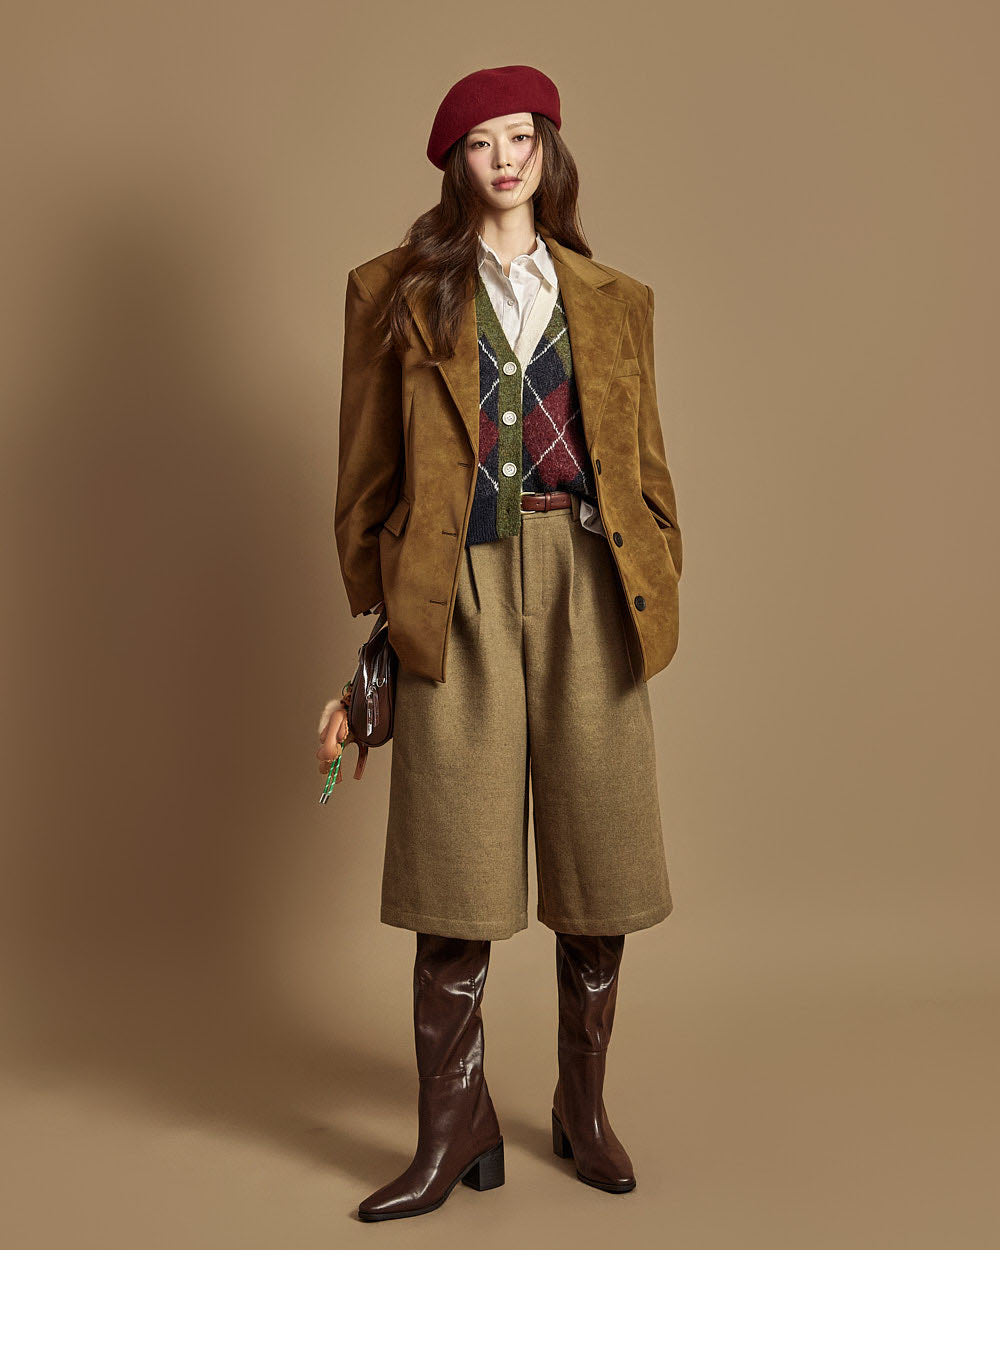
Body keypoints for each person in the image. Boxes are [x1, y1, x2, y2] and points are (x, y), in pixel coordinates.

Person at [317, 65, 683, 1222]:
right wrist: (383, 619)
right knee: (452, 872)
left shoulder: (616, 299)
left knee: (599, 860)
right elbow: (365, 472)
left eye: (520, 136)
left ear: (547, 149)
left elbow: (647, 464)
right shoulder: (393, 293)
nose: (504, 158)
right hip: (457, 582)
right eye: (481, 142)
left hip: (589, 577)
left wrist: (659, 561)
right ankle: (452, 1129)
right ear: (455, 163)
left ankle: (582, 1107)